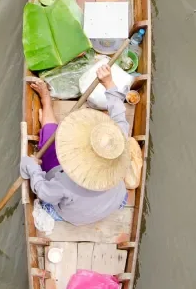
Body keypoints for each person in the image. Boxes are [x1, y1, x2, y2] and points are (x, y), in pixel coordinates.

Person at [20, 64, 130, 226]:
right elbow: (119, 115)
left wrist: (32, 167)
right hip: (115, 201)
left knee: (51, 140)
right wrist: (108, 83)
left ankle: (46, 102)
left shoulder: (64, 182)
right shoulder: (116, 142)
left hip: (74, 216)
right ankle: (47, 104)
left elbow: (43, 191)